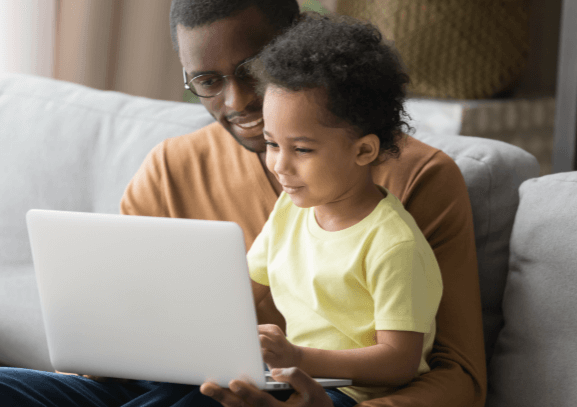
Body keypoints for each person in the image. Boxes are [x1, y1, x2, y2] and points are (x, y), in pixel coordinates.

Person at [0, 1, 486, 406]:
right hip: (169, 384)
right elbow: (161, 320)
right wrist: (99, 347)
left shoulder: (418, 181)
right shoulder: (171, 167)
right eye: (208, 81)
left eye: (252, 71)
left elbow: (458, 378)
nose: (236, 102)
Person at [241, 13, 443, 406]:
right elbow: (238, 293)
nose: (280, 165)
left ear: (363, 150)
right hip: (287, 380)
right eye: (271, 144)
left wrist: (298, 358)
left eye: (301, 149)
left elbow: (400, 361)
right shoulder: (290, 208)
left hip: (345, 393)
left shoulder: (393, 245)